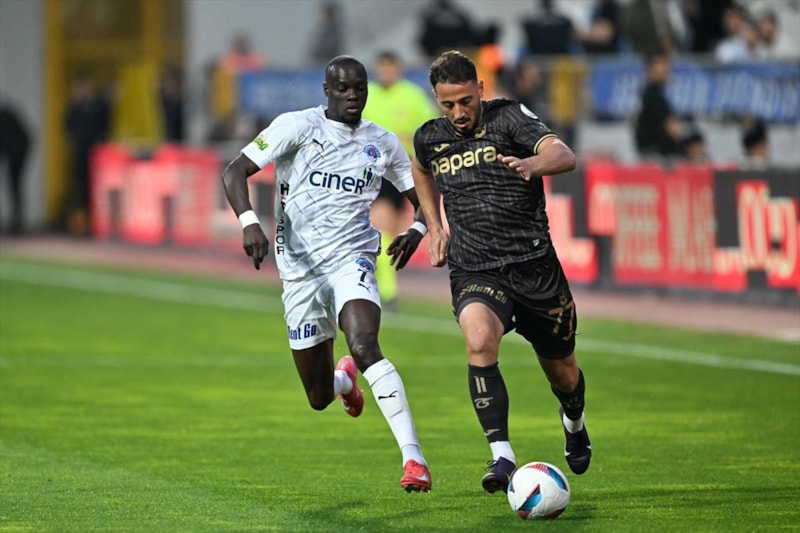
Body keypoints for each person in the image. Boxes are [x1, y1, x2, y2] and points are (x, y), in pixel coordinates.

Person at [221, 55, 432, 492]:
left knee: (364, 343)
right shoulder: (297, 127)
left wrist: (418, 228)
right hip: (299, 272)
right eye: (343, 88)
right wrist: (249, 222)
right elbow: (234, 170)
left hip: (351, 260)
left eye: (359, 88)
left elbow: (423, 197)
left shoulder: (382, 142)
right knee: (319, 397)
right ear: (327, 90)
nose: (352, 95)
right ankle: (343, 381)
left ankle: (414, 459)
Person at [409, 50, 591, 494]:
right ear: (436, 98)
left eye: (466, 101)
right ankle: (502, 455)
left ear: (480, 89)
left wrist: (532, 163)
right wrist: (434, 226)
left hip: (535, 268)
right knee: (478, 340)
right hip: (475, 269)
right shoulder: (430, 137)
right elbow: (420, 168)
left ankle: (573, 420)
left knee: (564, 374)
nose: (458, 113)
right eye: (448, 104)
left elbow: (563, 154)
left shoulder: (509, 119)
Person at [362, 51, 439, 311]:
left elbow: (430, 128)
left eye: (391, 68)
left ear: (398, 69)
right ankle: (388, 292)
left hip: (405, 170)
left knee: (394, 230)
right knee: (382, 225)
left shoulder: (412, 95)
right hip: (376, 170)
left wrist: (411, 139)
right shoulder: (368, 95)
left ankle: (382, 283)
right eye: (382, 68)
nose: (386, 73)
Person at [63, 72, 110, 236]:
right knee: (79, 190)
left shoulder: (100, 107)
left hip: (98, 157)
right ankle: (80, 225)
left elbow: (106, 127)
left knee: (96, 191)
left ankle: (98, 224)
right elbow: (67, 126)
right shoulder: (74, 108)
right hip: (80, 155)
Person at [634, 53, 684, 159]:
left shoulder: (652, 93)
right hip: (656, 154)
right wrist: (684, 147)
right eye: (661, 72)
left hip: (653, 151)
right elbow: (672, 128)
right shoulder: (653, 95)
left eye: (666, 71)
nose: (666, 74)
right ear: (650, 72)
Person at [0, 97, 32, 235]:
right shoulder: (7, 114)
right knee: (14, 185)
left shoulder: (6, 116)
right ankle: (16, 221)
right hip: (13, 152)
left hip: (18, 153)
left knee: (14, 184)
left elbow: (8, 141)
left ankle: (17, 222)